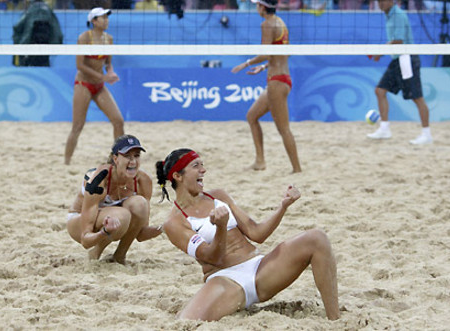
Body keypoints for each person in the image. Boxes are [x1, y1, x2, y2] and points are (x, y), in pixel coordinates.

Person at [155, 148, 339, 321]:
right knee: (186, 322)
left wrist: (283, 207)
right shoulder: (174, 223)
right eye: (196, 166)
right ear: (178, 176)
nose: (203, 170)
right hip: (226, 279)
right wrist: (221, 227)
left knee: (317, 238)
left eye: (202, 164)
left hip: (260, 268)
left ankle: (335, 320)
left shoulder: (217, 196)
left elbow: (257, 233)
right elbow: (213, 258)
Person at [67, 134, 162, 264]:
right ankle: (95, 253)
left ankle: (119, 256)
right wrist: (104, 232)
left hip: (115, 221)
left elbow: (140, 233)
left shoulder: (143, 180)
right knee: (122, 215)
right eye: (127, 156)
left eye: (136, 156)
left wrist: (165, 227)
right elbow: (85, 240)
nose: (133, 161)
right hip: (79, 221)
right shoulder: (99, 179)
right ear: (115, 159)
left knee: (140, 204)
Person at [231, 0, 301, 173]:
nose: (256, 8)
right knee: (252, 116)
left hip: (277, 81)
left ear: (262, 7)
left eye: (257, 5)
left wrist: (246, 63)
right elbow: (284, 53)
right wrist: (263, 67)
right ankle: (260, 161)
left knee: (283, 129)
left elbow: (265, 53)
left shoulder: (268, 24)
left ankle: (297, 169)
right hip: (281, 77)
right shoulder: (281, 23)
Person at [367, 0, 433, 145]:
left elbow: (398, 41)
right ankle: (384, 129)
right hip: (397, 59)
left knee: (417, 98)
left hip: (407, 59)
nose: (381, 3)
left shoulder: (397, 15)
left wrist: (380, 52)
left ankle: (426, 134)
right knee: (380, 91)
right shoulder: (389, 15)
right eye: (379, 1)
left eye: (384, 0)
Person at [64, 7, 124, 165]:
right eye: (103, 18)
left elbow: (108, 63)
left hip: (99, 86)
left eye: (107, 17)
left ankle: (117, 159)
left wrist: (110, 73)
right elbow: (80, 65)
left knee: (118, 120)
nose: (106, 20)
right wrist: (103, 77)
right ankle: (66, 162)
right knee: (77, 126)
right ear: (94, 21)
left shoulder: (108, 39)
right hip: (83, 84)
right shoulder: (84, 38)